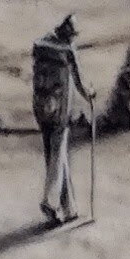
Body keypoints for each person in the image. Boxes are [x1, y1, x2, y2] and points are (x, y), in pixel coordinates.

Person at [30, 14, 94, 224]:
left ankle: (69, 208)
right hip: (59, 110)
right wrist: (89, 95)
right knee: (58, 154)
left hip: (41, 106)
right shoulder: (67, 51)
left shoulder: (40, 45)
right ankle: (50, 202)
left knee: (55, 154)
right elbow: (79, 83)